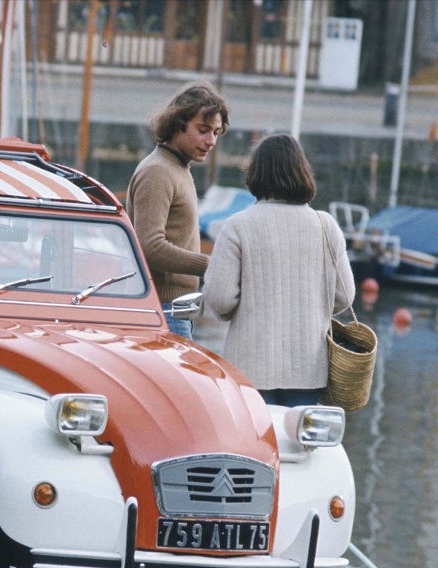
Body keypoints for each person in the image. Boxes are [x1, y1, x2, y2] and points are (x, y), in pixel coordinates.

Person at [203, 133, 355, 408]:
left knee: (255, 447)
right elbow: (345, 296)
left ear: (256, 174)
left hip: (249, 367)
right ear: (303, 171)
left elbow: (219, 299)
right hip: (309, 368)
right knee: (299, 448)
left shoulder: (237, 226)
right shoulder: (326, 225)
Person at [126, 81, 229, 339]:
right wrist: (213, 265)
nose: (211, 140)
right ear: (177, 124)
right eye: (203, 130)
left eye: (217, 132)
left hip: (175, 311)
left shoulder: (177, 167)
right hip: (163, 312)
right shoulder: (159, 171)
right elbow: (150, 246)